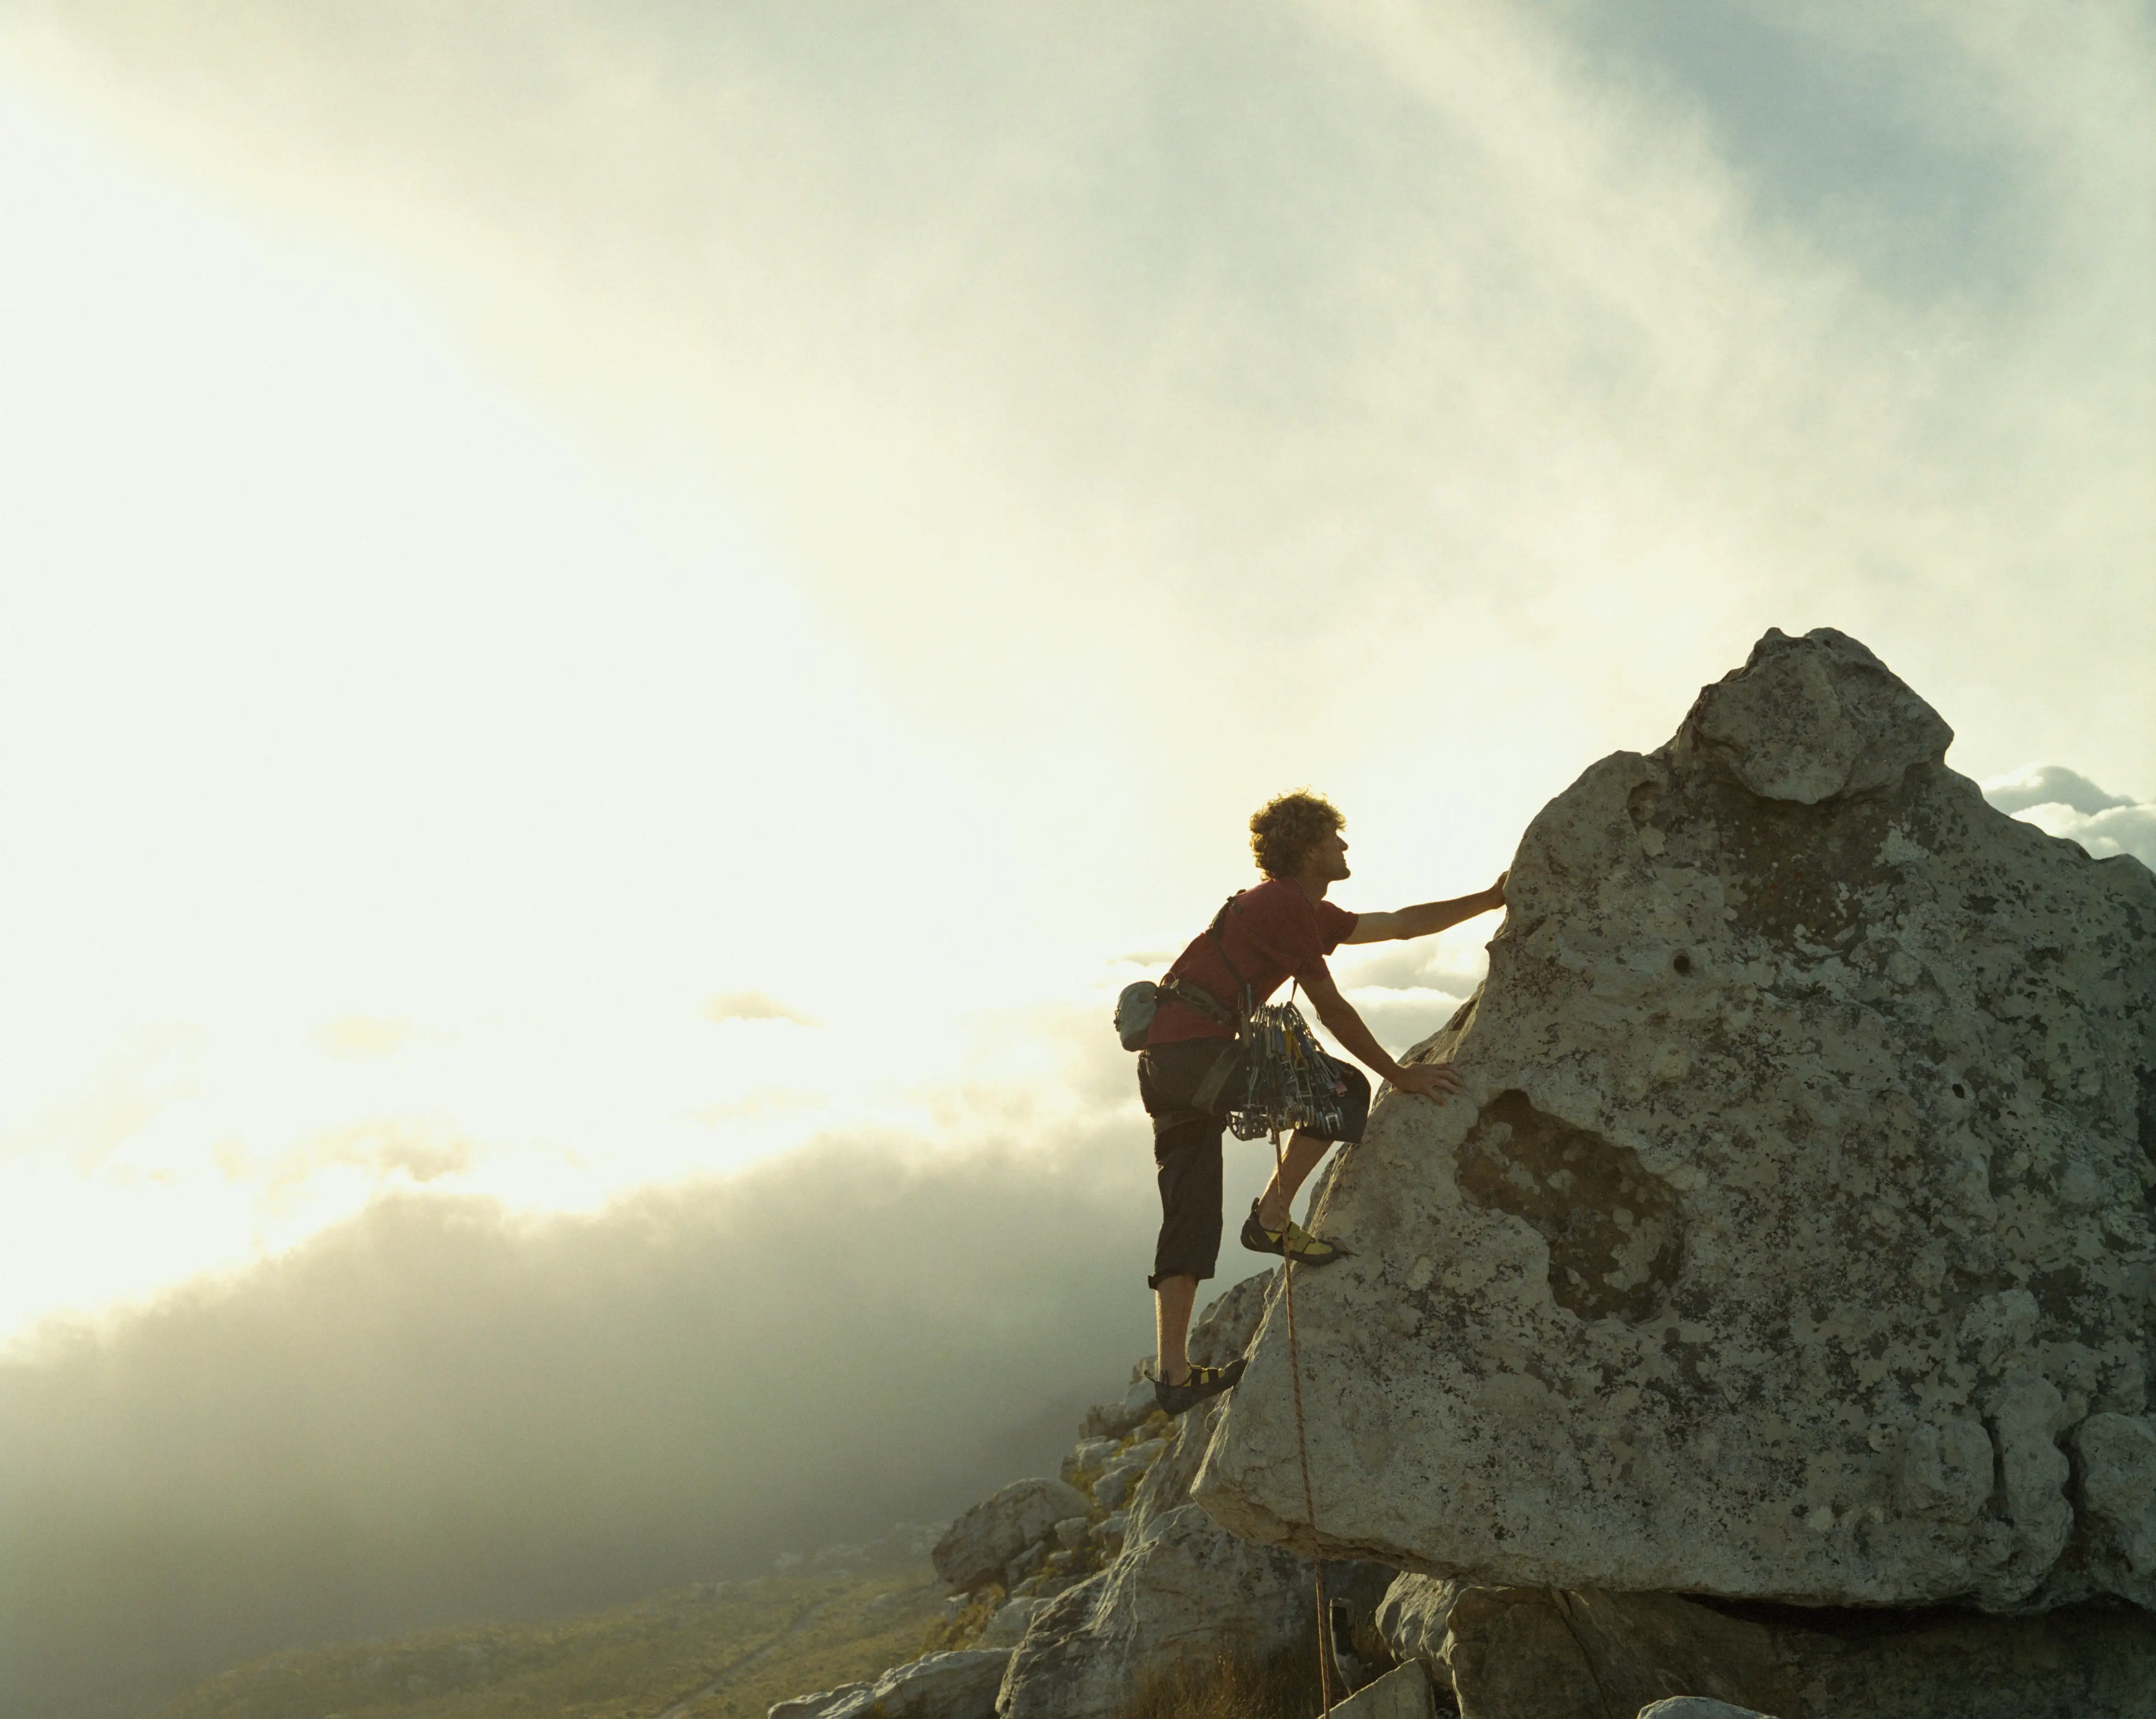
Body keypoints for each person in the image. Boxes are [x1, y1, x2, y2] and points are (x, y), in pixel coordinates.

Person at [1138, 790, 1506, 1414]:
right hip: (1202, 1054)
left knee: (1190, 1214)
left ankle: (1174, 1374)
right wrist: (1401, 1074)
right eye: (1336, 839)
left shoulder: (1299, 909)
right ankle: (1274, 1218)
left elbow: (1400, 924)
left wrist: (1492, 899)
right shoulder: (1284, 905)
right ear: (1309, 849)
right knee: (1344, 1090)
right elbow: (1330, 1007)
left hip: (1166, 1065)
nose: (1344, 847)